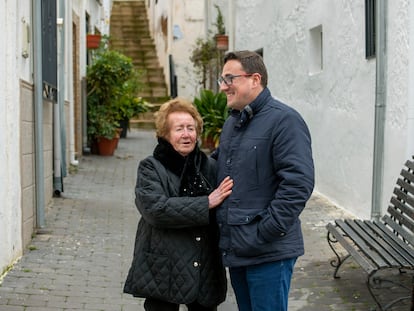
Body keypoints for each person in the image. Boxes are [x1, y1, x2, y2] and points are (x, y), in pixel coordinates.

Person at [213, 50, 315, 311]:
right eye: (222, 80)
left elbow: (298, 183)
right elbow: (221, 166)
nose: (224, 87)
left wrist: (265, 231)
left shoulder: (285, 120)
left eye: (229, 79)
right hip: (238, 248)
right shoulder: (233, 123)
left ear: (255, 79)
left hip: (268, 251)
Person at [123, 98, 234, 311]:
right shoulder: (151, 167)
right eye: (179, 129)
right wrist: (206, 203)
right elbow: (156, 210)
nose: (186, 134)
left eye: (191, 128)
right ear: (165, 134)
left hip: (205, 266)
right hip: (164, 266)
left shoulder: (210, 167)